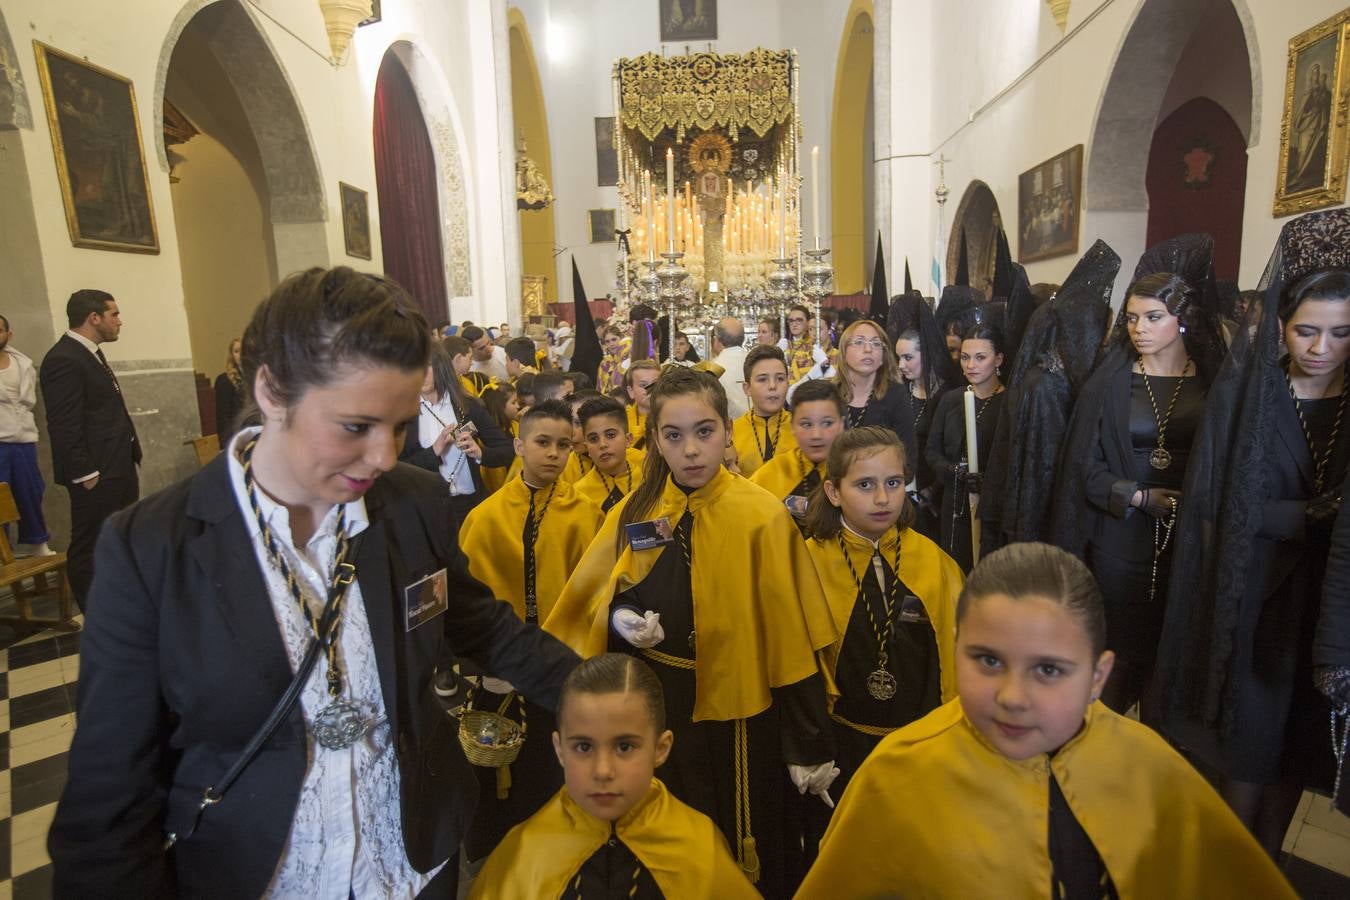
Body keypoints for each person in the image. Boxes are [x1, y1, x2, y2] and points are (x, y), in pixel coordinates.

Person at [48, 267, 580, 898]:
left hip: (410, 865)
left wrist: (590, 691)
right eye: (355, 426)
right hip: (258, 873)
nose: (385, 457)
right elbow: (109, 799)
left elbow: (476, 625)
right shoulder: (151, 549)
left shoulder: (410, 503)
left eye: (402, 425)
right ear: (273, 392)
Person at [796, 542, 1297, 899]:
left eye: (1049, 669)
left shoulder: (1153, 773)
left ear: (1099, 676)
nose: (1014, 697)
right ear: (954, 648)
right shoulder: (897, 773)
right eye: (988, 661)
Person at [545, 368, 838, 897]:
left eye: (704, 431)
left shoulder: (760, 516)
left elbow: (795, 638)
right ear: (654, 439)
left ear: (728, 430)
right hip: (661, 702)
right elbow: (601, 592)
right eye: (673, 435)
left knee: (746, 831)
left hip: (745, 707)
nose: (691, 450)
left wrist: (808, 742)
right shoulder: (638, 510)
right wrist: (620, 620)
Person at [1154, 210, 1350, 857]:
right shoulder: (1249, 397)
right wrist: (1316, 514)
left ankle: (1269, 869)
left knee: (1299, 751)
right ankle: (1229, 867)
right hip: (1257, 598)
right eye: (1308, 331)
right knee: (1248, 746)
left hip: (1327, 607)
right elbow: (1221, 508)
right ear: (1282, 329)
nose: (1322, 348)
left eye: (1341, 333)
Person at [1052, 235, 1224, 718]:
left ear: (1181, 318)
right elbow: (1080, 468)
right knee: (1117, 654)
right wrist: (1139, 495)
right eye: (1131, 318)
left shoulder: (1213, 383)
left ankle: (1157, 759)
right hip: (1119, 537)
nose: (1139, 328)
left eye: (1153, 317)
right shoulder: (1109, 384)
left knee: (1171, 658)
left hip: (1187, 540)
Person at [467, 654, 757, 899]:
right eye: (583, 746)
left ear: (661, 748)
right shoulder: (523, 855)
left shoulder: (700, 850)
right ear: (559, 750)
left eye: (624, 746)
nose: (603, 771)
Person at [799, 426, 961, 856]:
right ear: (833, 492)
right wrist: (806, 747)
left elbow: (954, 655)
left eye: (893, 483)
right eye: (865, 485)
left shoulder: (933, 561)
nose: (883, 499)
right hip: (841, 743)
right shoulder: (809, 563)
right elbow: (796, 664)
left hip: (917, 741)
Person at [457, 399, 606, 862]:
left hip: (562, 665)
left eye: (565, 445)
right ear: (518, 444)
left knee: (555, 771)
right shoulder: (485, 517)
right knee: (503, 779)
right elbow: (466, 604)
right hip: (501, 669)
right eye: (542, 442)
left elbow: (596, 595)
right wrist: (484, 665)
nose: (554, 454)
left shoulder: (586, 514)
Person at [39, 288, 141, 609]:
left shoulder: (89, 352)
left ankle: (121, 604)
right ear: (93, 318)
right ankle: (94, 614)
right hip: (95, 473)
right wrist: (85, 471)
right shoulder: (63, 359)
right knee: (88, 546)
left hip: (118, 465)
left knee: (120, 538)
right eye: (114, 315)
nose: (119, 322)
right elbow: (63, 423)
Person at [400, 342, 515, 528]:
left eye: (426, 365)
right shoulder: (402, 414)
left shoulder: (468, 406)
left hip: (471, 505)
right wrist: (433, 452)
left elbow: (507, 450)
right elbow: (395, 469)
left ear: (441, 366)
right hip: (428, 510)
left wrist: (480, 454)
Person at [926, 323, 1008, 572]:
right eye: (965, 357)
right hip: (954, 501)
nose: (971, 365)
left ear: (999, 359)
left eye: (980, 357)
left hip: (993, 506)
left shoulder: (1009, 403)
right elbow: (931, 451)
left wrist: (988, 481)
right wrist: (951, 470)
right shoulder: (951, 399)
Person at [892, 298, 963, 542]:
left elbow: (949, 451)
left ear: (927, 354)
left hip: (933, 498)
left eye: (908, 358)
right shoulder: (900, 392)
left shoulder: (947, 396)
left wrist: (929, 491)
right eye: (898, 357)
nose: (901, 365)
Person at [750, 380, 843, 534]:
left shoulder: (854, 471)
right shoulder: (773, 472)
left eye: (827, 423)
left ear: (841, 425)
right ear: (792, 427)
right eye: (806, 424)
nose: (816, 435)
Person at [0, 314, 52, 556]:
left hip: (24, 440)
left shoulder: (23, 364)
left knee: (30, 492)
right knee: (1, 502)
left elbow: (28, 401)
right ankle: (4, 552)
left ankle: (37, 543)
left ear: (8, 334)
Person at [731, 345, 798, 478]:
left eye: (780, 379)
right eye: (762, 379)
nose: (773, 386)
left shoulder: (801, 428)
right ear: (747, 388)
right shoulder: (731, 434)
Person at [574, 396, 646, 512]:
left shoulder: (648, 482)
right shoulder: (578, 495)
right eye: (593, 439)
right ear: (587, 447)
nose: (602, 444)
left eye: (610, 435)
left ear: (628, 440)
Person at [479, 382, 520, 493]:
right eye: (513, 402)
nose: (518, 406)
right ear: (500, 407)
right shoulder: (486, 440)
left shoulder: (516, 426)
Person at [710, 317, 750, 419]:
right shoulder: (756, 362)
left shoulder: (713, 368)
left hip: (730, 429)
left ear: (717, 340)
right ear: (743, 339)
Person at [779, 305, 827, 381]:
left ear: (808, 322)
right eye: (791, 321)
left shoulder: (815, 345)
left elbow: (825, 371)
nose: (794, 324)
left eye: (799, 320)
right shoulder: (784, 345)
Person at [214, 337, 247, 442]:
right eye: (236, 351)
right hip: (235, 435)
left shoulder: (253, 377)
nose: (241, 354)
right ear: (232, 355)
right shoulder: (224, 381)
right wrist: (226, 444)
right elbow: (224, 418)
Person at [623, 360, 660, 452]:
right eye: (643, 385)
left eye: (654, 384)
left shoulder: (672, 417)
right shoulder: (621, 421)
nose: (650, 389)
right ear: (631, 391)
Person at [597, 325, 629, 395]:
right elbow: (599, 387)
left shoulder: (628, 359)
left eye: (614, 339)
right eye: (607, 341)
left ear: (621, 338)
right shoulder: (604, 363)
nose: (611, 344)